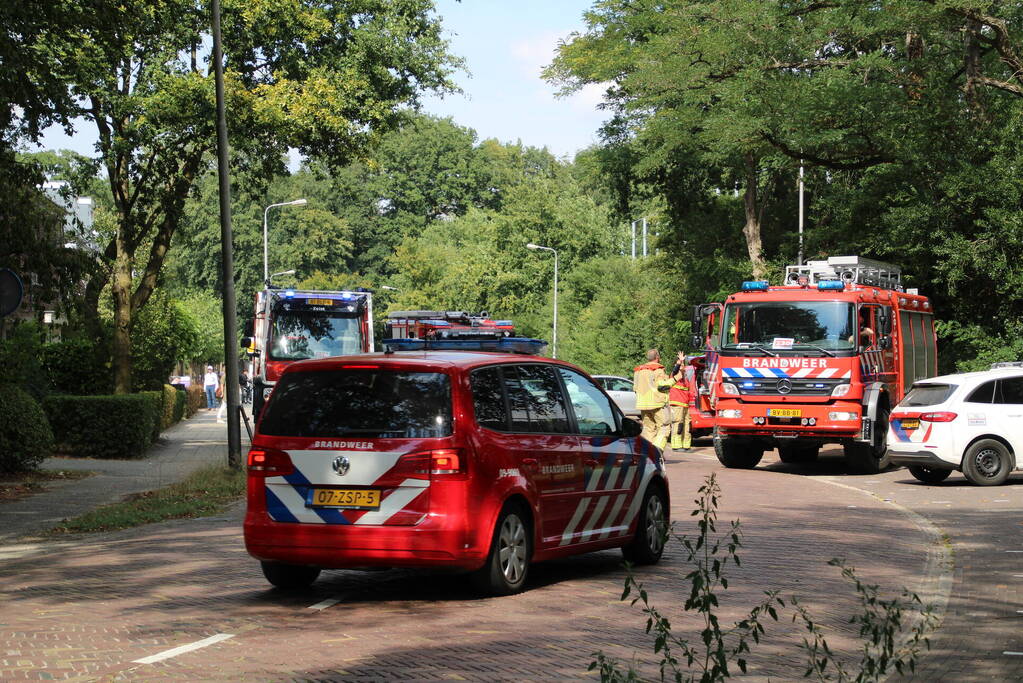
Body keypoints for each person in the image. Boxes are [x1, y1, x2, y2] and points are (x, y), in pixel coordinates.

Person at [633, 349, 674, 449]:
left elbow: (635, 388)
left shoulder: (638, 371)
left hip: (643, 404)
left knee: (648, 429)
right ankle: (657, 451)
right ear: (657, 357)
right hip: (657, 404)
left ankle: (646, 452)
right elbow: (663, 386)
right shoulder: (658, 370)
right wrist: (675, 379)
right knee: (664, 427)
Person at [668, 352, 694, 452]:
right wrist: (680, 361)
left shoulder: (685, 379)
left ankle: (686, 445)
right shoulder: (674, 376)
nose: (683, 367)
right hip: (677, 404)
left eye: (684, 365)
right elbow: (675, 370)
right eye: (681, 366)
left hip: (685, 405)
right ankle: (676, 445)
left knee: (687, 425)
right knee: (678, 425)